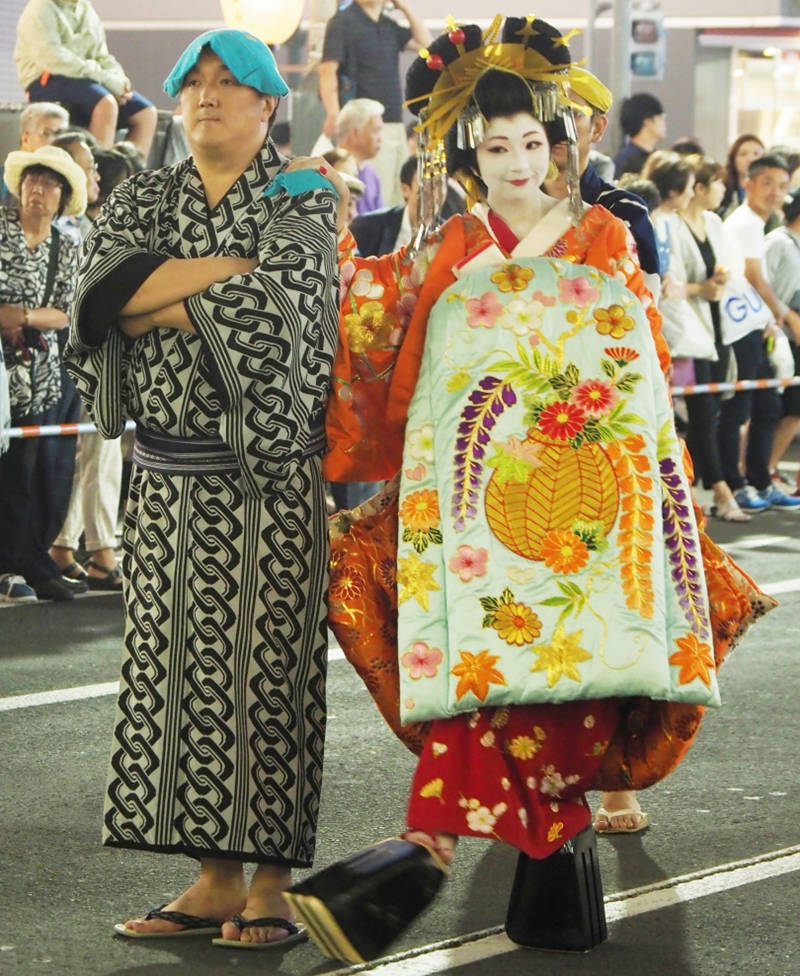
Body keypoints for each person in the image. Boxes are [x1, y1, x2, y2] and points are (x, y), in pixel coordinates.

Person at [284, 16, 774, 963]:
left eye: (530, 144)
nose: (515, 161)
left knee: (571, 668)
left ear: (559, 147)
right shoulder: (455, 238)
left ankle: (444, 855)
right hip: (477, 493)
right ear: (472, 151)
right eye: (494, 144)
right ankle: (541, 850)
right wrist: (346, 263)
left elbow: (635, 359)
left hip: (589, 484)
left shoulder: (602, 233)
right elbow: (400, 341)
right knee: (490, 671)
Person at [64, 28, 342, 947]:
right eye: (197, 84)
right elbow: (96, 297)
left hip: (265, 478)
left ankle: (268, 880)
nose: (210, 97)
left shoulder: (302, 194)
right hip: (166, 478)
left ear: (270, 105)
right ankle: (212, 877)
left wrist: (152, 295)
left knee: (267, 678)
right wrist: (220, 280)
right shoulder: (145, 192)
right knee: (175, 675)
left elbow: (286, 311)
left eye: (233, 84)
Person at [0, 145, 85, 603]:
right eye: (32, 179)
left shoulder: (66, 247)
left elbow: (67, 313)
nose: (38, 189)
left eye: (50, 183)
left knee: (45, 469)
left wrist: (23, 316)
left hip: (46, 375)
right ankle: (10, 565)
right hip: (1, 374)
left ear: (63, 195)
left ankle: (33, 559)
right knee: (9, 469)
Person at [49, 132, 124, 589]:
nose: (93, 176)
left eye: (95, 169)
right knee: (97, 448)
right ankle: (101, 549)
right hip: (78, 356)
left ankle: (65, 543)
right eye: (84, 167)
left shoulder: (87, 229)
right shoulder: (70, 233)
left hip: (97, 353)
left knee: (97, 451)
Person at [670, 155, 747, 520]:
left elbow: (729, 262)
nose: (723, 189)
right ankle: (720, 490)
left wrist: (719, 279)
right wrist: (703, 287)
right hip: (687, 329)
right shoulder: (672, 223)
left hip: (717, 324)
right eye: (716, 183)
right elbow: (671, 282)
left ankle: (707, 485)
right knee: (700, 412)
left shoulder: (714, 222)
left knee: (712, 409)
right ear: (697, 188)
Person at [721, 153, 800, 511]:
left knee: (768, 403)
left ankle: (760, 480)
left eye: (782, 186)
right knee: (740, 407)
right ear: (748, 183)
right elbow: (755, 278)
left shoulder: (757, 223)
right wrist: (785, 315)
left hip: (754, 324)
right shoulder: (746, 223)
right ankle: (736, 485)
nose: (775, 192)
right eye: (767, 183)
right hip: (738, 327)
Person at [543, 70, 661, 283]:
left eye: (572, 114)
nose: (557, 127)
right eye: (546, 114)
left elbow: (645, 301)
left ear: (597, 128)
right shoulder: (505, 208)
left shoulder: (624, 210)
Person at [14, 0, 158, 159]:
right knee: (106, 104)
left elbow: (102, 55)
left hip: (87, 77)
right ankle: (95, 174)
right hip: (47, 78)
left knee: (145, 114)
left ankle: (129, 178)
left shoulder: (85, 8)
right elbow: (54, 59)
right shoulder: (39, 9)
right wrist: (106, 79)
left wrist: (119, 79)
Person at [319, 0, 430, 206]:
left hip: (395, 120)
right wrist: (333, 113)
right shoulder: (343, 21)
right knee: (377, 197)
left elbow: (427, 46)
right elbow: (328, 70)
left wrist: (404, 7)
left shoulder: (387, 24)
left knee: (398, 197)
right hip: (365, 123)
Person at [763, 185, 800, 494]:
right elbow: (764, 287)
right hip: (777, 335)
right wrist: (787, 316)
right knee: (772, 406)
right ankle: (758, 469)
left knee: (794, 408)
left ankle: (769, 468)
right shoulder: (778, 242)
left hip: (793, 336)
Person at [349, 154, 419, 256]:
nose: (434, 194)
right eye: (425, 188)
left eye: (439, 185)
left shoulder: (447, 234)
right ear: (405, 189)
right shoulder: (368, 226)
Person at [1, 102, 70, 203]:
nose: (58, 141)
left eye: (63, 135)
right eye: (48, 133)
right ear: (25, 139)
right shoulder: (3, 182)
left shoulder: (69, 180)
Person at [335, 98, 386, 214]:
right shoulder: (331, 169)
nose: (380, 139)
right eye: (376, 131)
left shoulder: (371, 173)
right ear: (354, 133)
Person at [613, 92, 666, 179]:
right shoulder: (625, 161)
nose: (664, 124)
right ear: (648, 121)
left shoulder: (655, 157)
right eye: (661, 118)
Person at [717, 133, 764, 221]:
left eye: (756, 154)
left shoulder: (768, 192)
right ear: (733, 159)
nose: (750, 159)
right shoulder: (722, 190)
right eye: (743, 154)